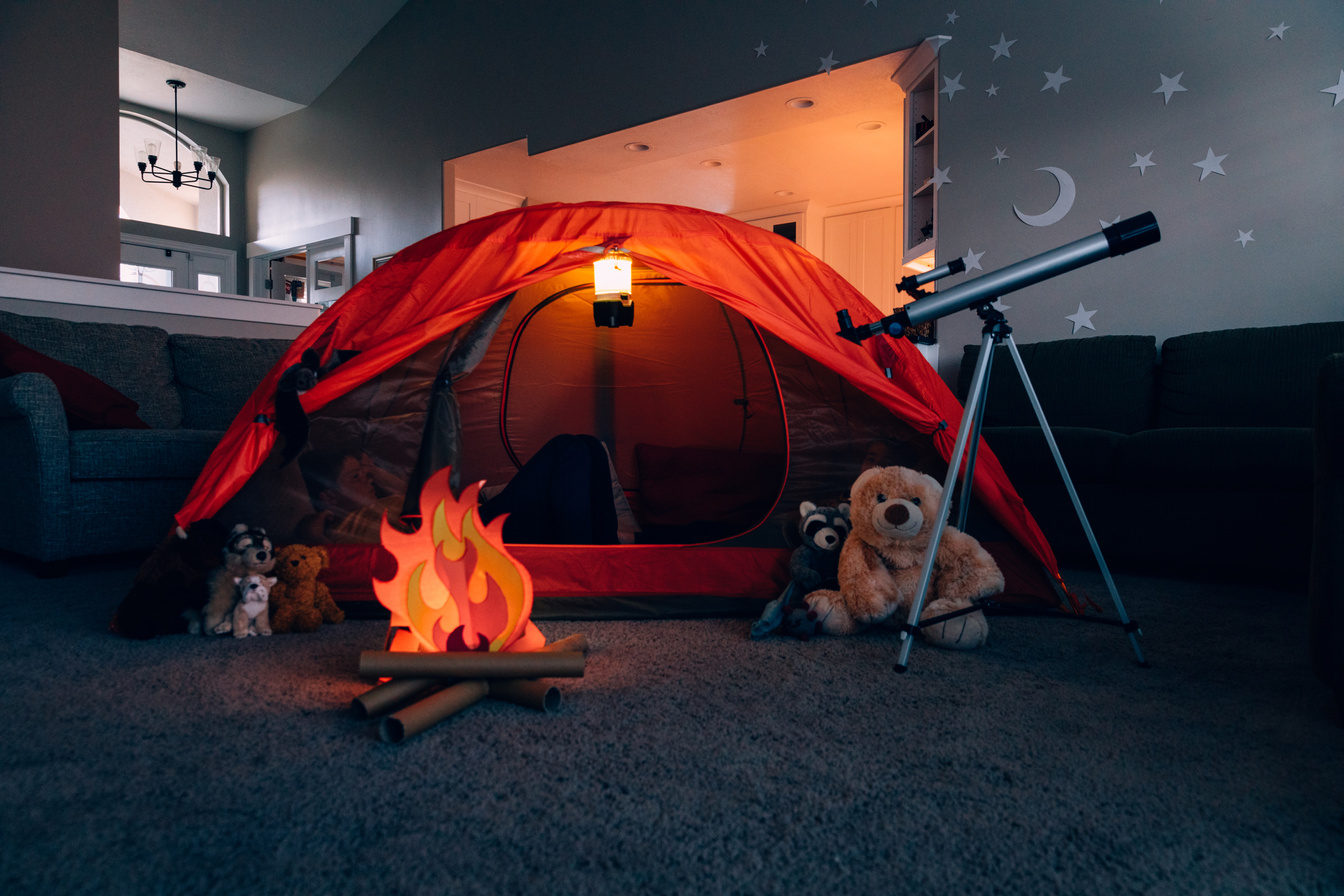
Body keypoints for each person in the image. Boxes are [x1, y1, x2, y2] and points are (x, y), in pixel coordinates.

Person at [296, 434, 625, 546]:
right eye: (355, 477)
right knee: (567, 449)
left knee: (588, 446)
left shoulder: (379, 505)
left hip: (471, 519)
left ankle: (605, 554)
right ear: (328, 496)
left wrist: (374, 473)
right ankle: (585, 561)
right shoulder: (339, 527)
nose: (367, 481)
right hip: (471, 536)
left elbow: (420, 494)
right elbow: (309, 542)